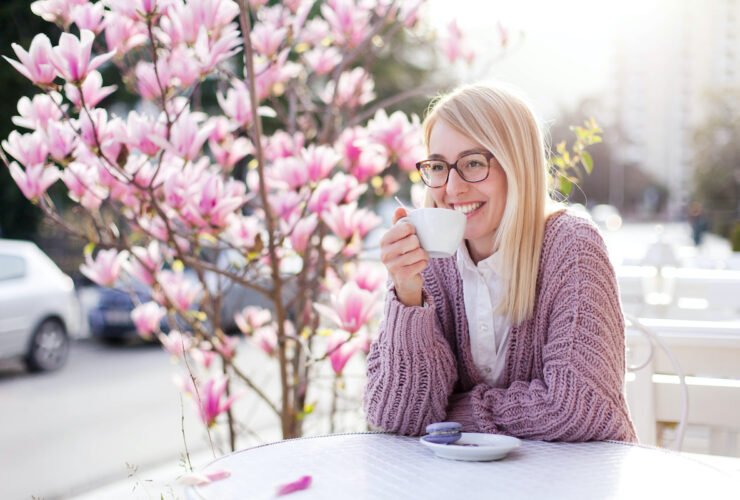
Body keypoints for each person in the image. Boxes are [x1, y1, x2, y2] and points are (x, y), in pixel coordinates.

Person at [363, 83, 637, 442]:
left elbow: (578, 409)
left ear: (516, 166)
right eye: (438, 166)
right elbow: (394, 417)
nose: (451, 188)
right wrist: (408, 295)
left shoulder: (572, 248)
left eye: (473, 163)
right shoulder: (428, 260)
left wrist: (452, 414)